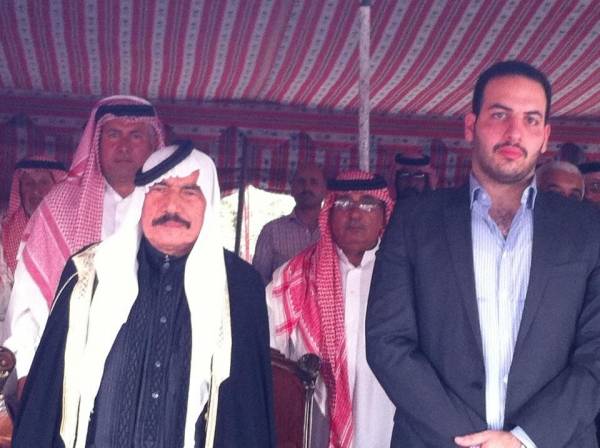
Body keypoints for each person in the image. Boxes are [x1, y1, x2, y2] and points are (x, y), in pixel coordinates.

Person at [367, 60, 600, 447]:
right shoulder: (415, 221)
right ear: (470, 125)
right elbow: (387, 341)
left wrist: (524, 439)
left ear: (545, 136)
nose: (514, 132)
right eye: (500, 114)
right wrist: (473, 442)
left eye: (530, 119)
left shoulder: (587, 229)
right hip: (437, 440)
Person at [13, 143, 276, 448]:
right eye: (159, 189)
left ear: (209, 202)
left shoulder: (239, 287)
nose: (172, 205)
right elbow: (48, 398)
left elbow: (247, 415)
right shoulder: (88, 273)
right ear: (141, 199)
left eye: (189, 191)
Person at [5, 95, 165, 381]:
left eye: (136, 135)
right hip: (68, 370)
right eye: (113, 134)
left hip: (151, 371)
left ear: (154, 144)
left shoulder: (175, 208)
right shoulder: (59, 207)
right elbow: (29, 300)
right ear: (96, 143)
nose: (124, 146)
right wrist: (26, 370)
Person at [268, 170, 395, 448]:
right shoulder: (294, 275)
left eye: (367, 204)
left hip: (387, 425)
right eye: (344, 202)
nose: (355, 214)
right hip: (313, 423)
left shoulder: (404, 275)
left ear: (384, 215)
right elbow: (268, 355)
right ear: (329, 212)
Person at [253, 163, 326, 284]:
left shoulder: (336, 230)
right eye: (301, 182)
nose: (307, 187)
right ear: (292, 189)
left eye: (314, 182)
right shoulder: (272, 231)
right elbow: (257, 280)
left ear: (324, 190)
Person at [1, 157, 67, 276]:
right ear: (20, 190)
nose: (36, 190)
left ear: (56, 187)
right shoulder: (4, 231)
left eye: (44, 183)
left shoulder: (70, 229)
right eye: (29, 183)